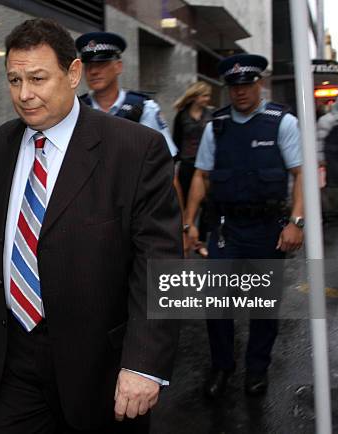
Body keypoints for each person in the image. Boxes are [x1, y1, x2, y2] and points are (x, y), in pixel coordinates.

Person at [0, 18, 181, 433]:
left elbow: (158, 262)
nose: (24, 94)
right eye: (14, 79)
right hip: (15, 360)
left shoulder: (134, 149)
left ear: (72, 74)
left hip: (99, 371)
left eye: (37, 78)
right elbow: (7, 238)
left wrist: (144, 363)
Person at [183, 53, 304, 399]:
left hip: (268, 228)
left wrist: (296, 223)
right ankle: (222, 367)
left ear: (259, 84)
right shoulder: (215, 126)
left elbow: (300, 176)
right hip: (225, 229)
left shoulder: (281, 123)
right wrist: (189, 223)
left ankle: (257, 370)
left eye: (247, 84)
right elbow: (201, 178)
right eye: (233, 86)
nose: (240, 92)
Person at [74, 31, 179, 159]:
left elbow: (165, 158)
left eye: (101, 64)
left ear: (118, 67)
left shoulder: (144, 109)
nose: (93, 71)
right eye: (88, 66)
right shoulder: (77, 109)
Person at [172, 81, 213, 256]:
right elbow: (175, 140)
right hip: (187, 165)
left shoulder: (210, 114)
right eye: (204, 95)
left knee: (206, 204)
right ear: (196, 96)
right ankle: (186, 238)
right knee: (187, 206)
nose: (207, 99)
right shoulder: (181, 116)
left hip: (205, 165)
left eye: (208, 96)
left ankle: (201, 241)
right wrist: (172, 165)